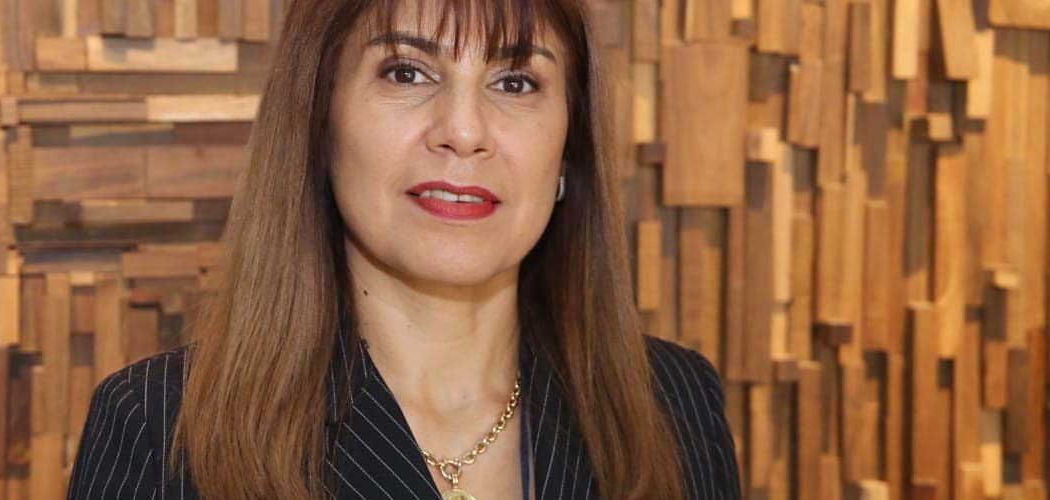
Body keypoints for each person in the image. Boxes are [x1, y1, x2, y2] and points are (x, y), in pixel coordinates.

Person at [66, 0, 742, 498]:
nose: (464, 131)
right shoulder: (159, 429)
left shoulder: (676, 404)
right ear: (319, 120)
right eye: (407, 73)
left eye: (515, 82)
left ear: (569, 147)